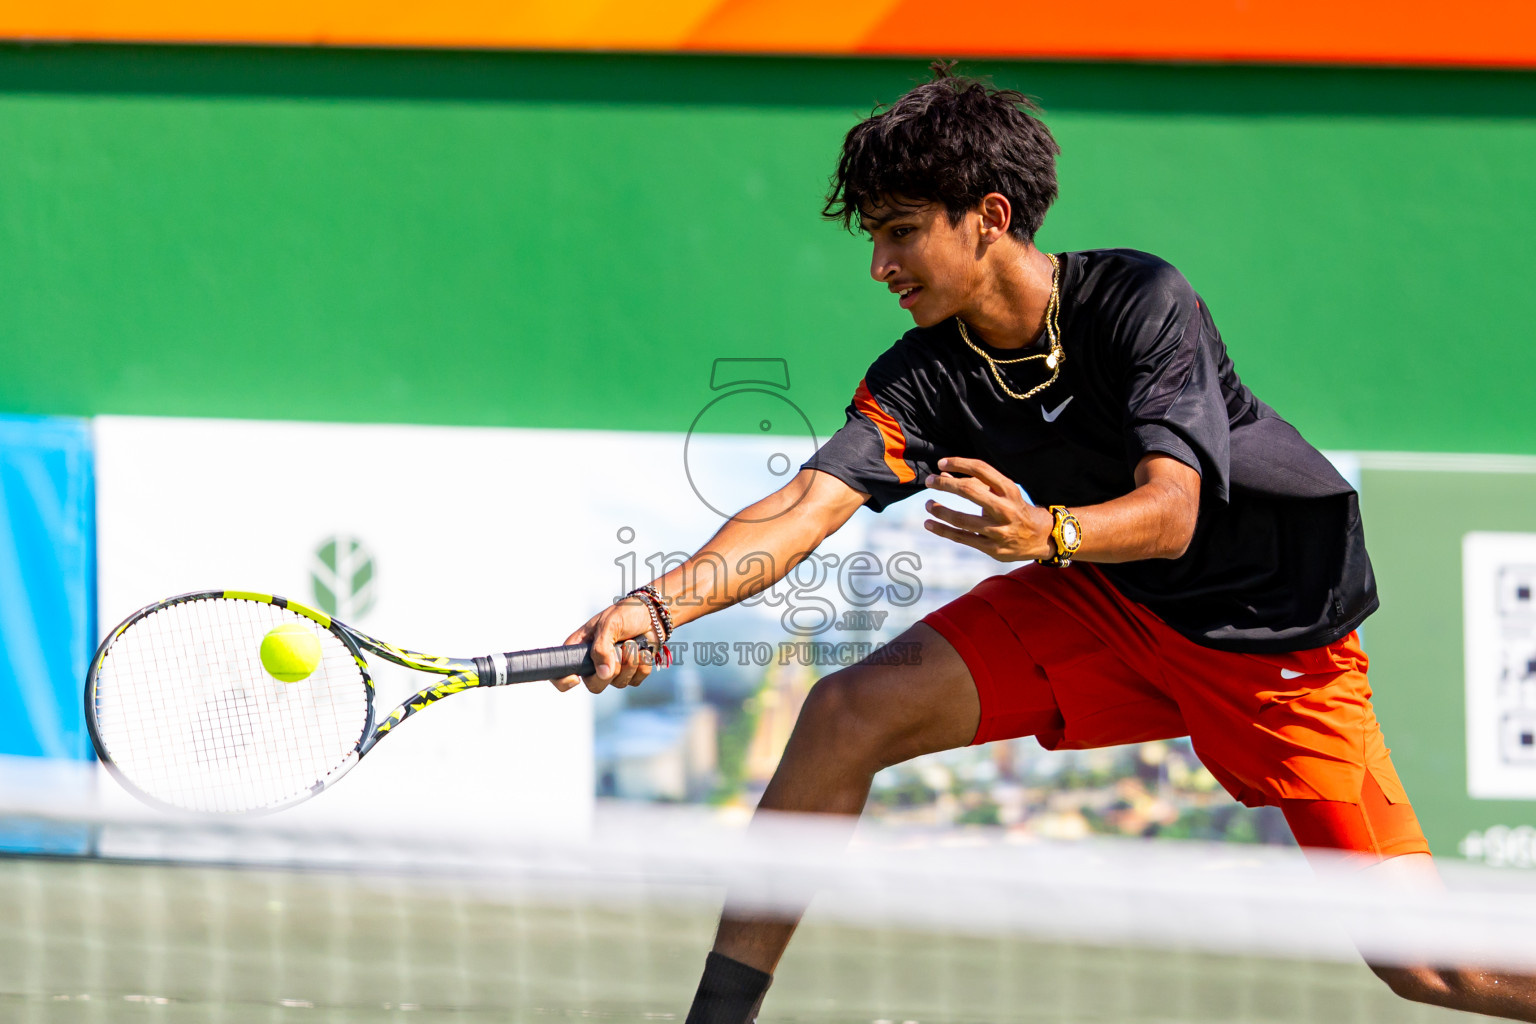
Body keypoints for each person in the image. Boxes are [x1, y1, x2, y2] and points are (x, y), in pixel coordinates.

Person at [556, 64, 1536, 1023]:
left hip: (1270, 641)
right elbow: (805, 506)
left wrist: (1046, 532)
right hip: (1111, 603)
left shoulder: (1139, 302)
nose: (878, 266)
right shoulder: (922, 376)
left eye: (900, 233)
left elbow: (1173, 510)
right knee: (846, 713)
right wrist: (657, 604)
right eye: (875, 237)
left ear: (987, 216)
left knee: (1429, 968)